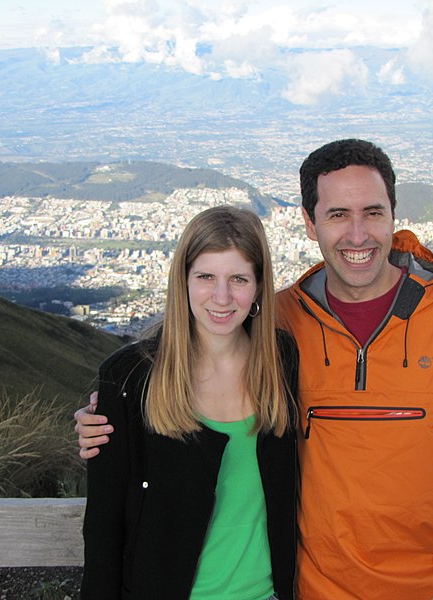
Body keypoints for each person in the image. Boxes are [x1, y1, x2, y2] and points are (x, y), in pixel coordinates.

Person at [77, 139, 433, 599]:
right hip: (313, 588)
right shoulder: (281, 327)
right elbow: (189, 351)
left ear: (394, 215)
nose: (357, 234)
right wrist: (108, 415)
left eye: (373, 212)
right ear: (310, 223)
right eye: (337, 215)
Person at [80, 205, 299, 599]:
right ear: (182, 280)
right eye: (205, 277)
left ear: (260, 286)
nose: (221, 296)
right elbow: (103, 527)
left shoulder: (283, 362)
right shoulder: (132, 378)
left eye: (238, 278)